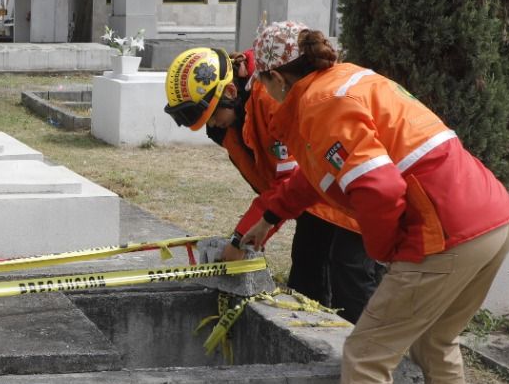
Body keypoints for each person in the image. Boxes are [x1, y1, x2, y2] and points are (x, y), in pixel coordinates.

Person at [236, 27, 509, 384]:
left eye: (264, 84)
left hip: (445, 233)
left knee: (367, 356)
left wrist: (384, 248)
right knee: (437, 340)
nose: (264, 94)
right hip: (492, 218)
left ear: (276, 76)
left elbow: (379, 187)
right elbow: (315, 177)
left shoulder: (318, 105)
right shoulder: (343, 84)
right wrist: (267, 217)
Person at [162, 29, 383, 322]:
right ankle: (321, 346)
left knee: (350, 274)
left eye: (212, 116)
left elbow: (288, 178)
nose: (212, 125)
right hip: (314, 197)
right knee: (306, 275)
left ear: (229, 92)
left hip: (346, 192)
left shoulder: (270, 97)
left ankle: (371, 353)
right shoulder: (230, 119)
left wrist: (242, 237)